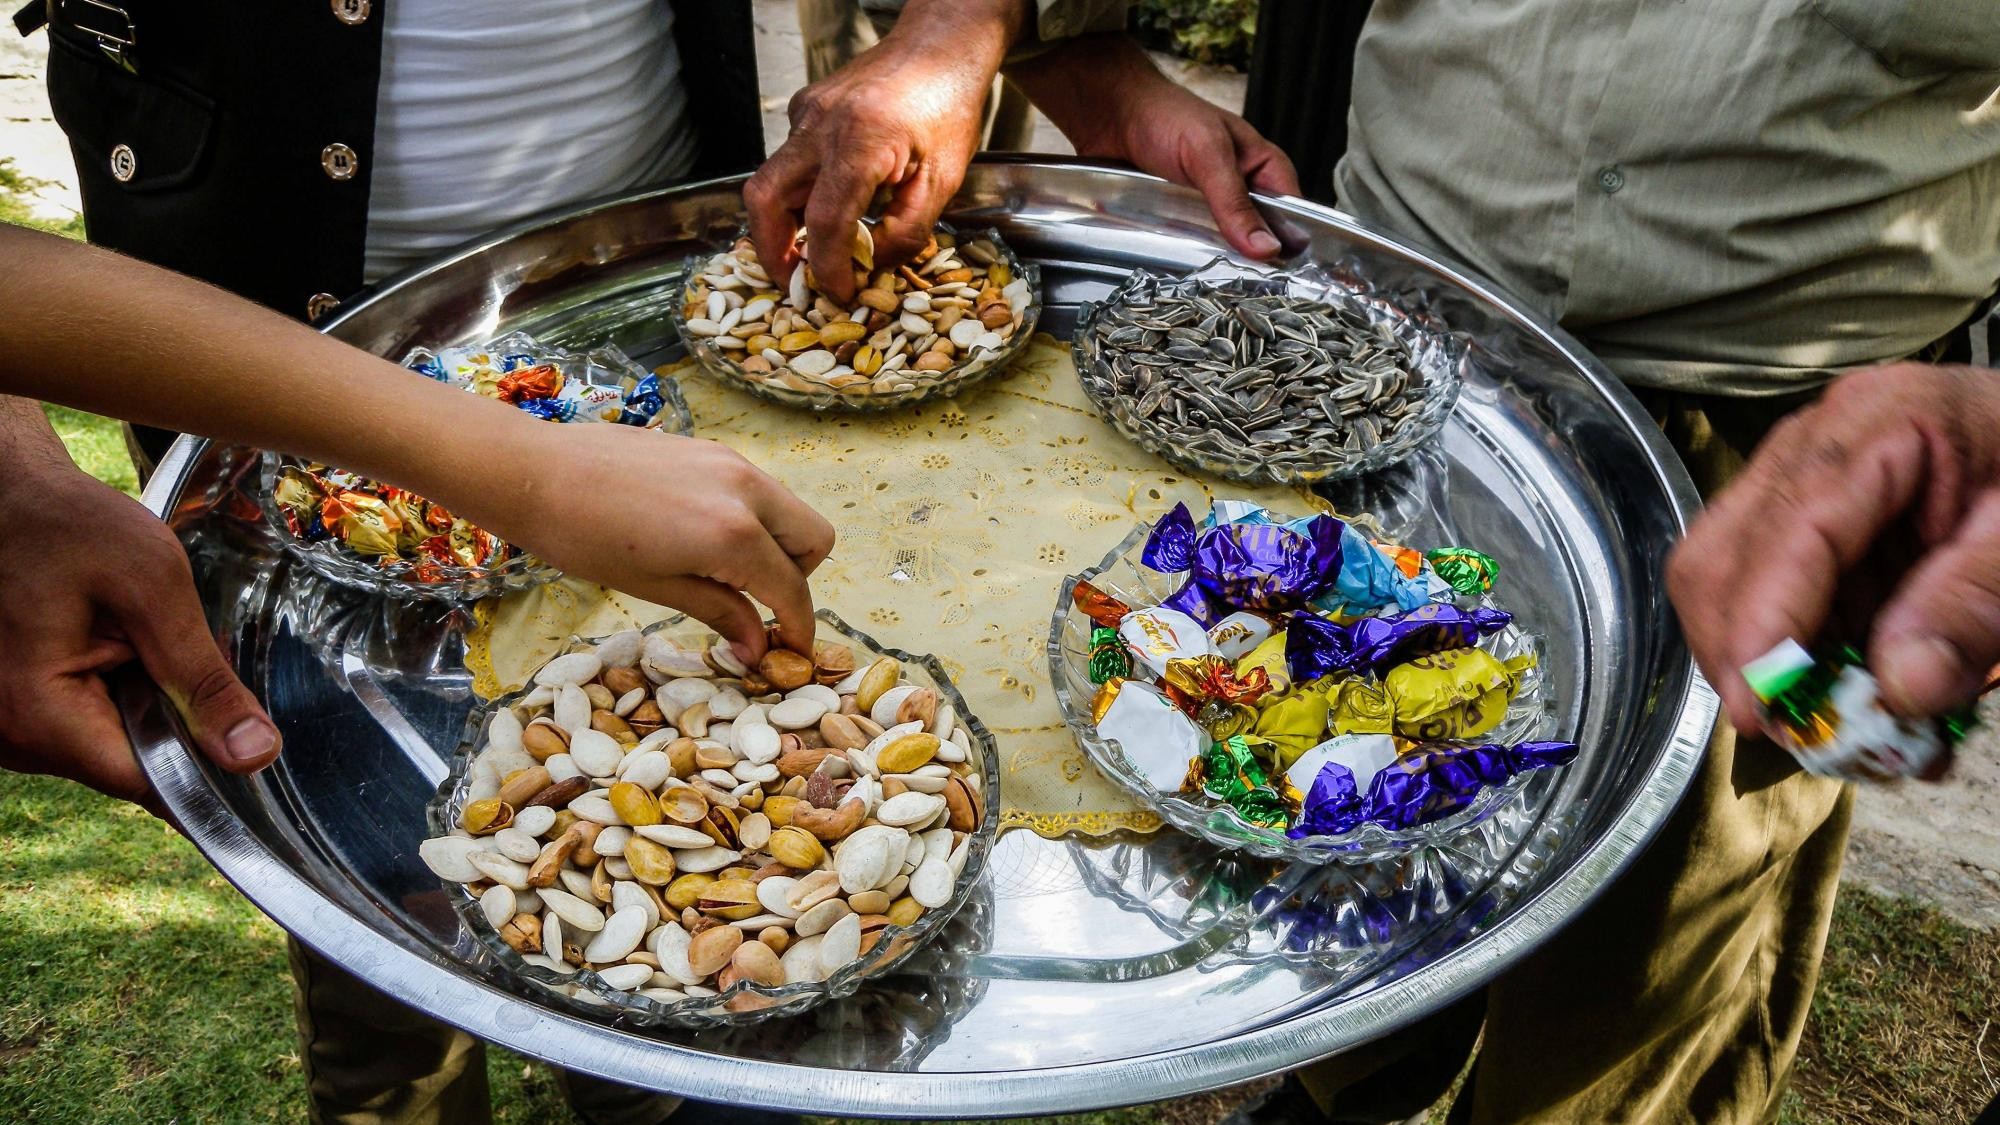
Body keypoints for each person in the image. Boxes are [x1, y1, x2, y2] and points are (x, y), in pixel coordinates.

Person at [6, 2, 1136, 1120]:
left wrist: (954, 22)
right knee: (382, 917)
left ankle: (632, 1089)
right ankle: (398, 1091)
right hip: (239, 370)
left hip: (634, 284)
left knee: (654, 1003)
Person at [974, 8, 1998, 1123]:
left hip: (1795, 445)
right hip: (1382, 369)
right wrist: (1069, 53)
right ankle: (1345, 1088)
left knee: (1637, 964)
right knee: (1334, 868)